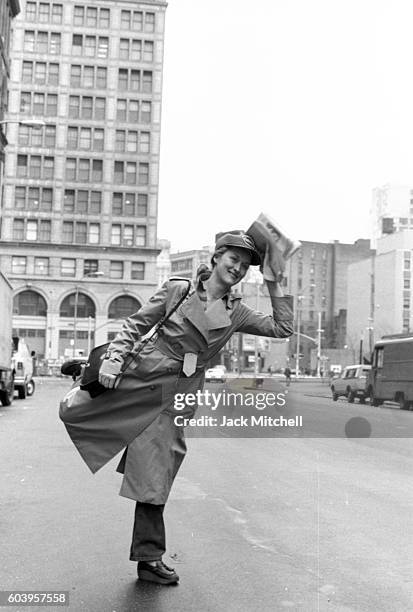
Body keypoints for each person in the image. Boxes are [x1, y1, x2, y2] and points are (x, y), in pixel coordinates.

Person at [63, 232, 294, 586]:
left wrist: (274, 284)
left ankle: (148, 556)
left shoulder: (237, 312)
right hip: (141, 379)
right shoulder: (178, 290)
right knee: (82, 412)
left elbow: (282, 327)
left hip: (175, 397)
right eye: (233, 260)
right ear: (216, 257)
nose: (238, 269)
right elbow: (136, 324)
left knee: (156, 472)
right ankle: (85, 373)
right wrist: (112, 360)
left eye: (246, 267)